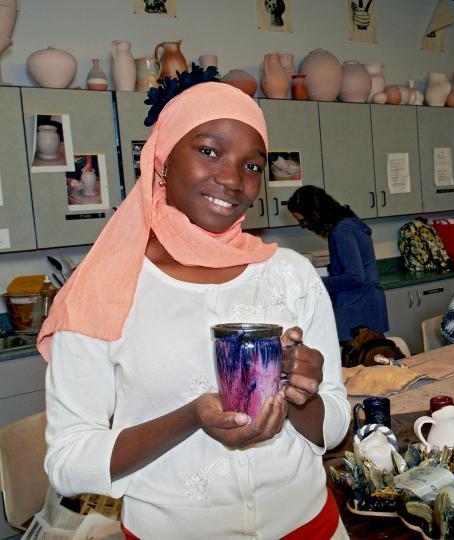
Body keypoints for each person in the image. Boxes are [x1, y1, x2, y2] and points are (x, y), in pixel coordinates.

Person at [38, 82, 350, 539]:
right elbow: (67, 462)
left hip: (310, 525)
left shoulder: (290, 274)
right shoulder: (103, 288)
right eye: (209, 151)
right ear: (161, 161)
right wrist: (190, 418)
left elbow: (335, 422)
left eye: (251, 165)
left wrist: (301, 396)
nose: (233, 180)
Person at [287, 185, 389, 344]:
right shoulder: (350, 224)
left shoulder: (341, 232)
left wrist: (315, 283)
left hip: (356, 307)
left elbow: (355, 277)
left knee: (358, 363)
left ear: (315, 214)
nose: (304, 226)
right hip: (368, 303)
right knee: (373, 358)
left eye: (303, 221)